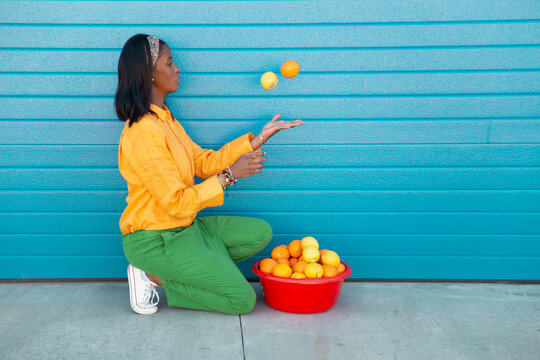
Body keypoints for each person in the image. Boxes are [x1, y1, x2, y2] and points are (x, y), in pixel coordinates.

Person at [114, 34, 304, 315]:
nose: (177, 69)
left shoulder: (164, 118)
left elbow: (202, 162)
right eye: (170, 63)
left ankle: (203, 266)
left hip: (185, 228)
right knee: (241, 300)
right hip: (155, 240)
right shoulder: (143, 132)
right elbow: (175, 202)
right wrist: (229, 176)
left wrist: (257, 140)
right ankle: (151, 275)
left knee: (259, 234)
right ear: (150, 73)